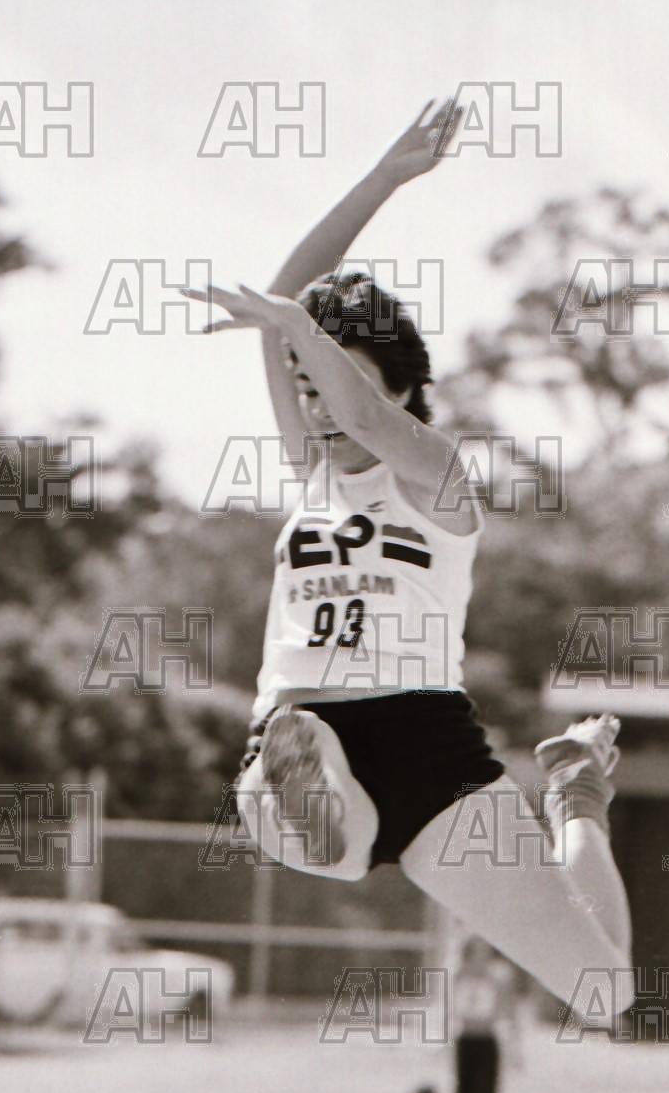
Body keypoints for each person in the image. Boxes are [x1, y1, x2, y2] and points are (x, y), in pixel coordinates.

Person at [184, 98, 633, 1027]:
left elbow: (352, 400)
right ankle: (307, 790)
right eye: (305, 390)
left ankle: (576, 790)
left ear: (401, 386)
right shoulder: (313, 473)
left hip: (429, 754)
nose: (318, 408)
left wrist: (298, 330)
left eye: (338, 382)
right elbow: (285, 303)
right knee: (312, 803)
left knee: (608, 991)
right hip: (309, 720)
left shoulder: (437, 476)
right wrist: (386, 178)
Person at [451, 936, 519, 1093]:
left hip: (487, 1044)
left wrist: (516, 1048)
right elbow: (450, 1010)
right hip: (466, 1042)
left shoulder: (498, 977)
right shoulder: (458, 974)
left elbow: (508, 1012)